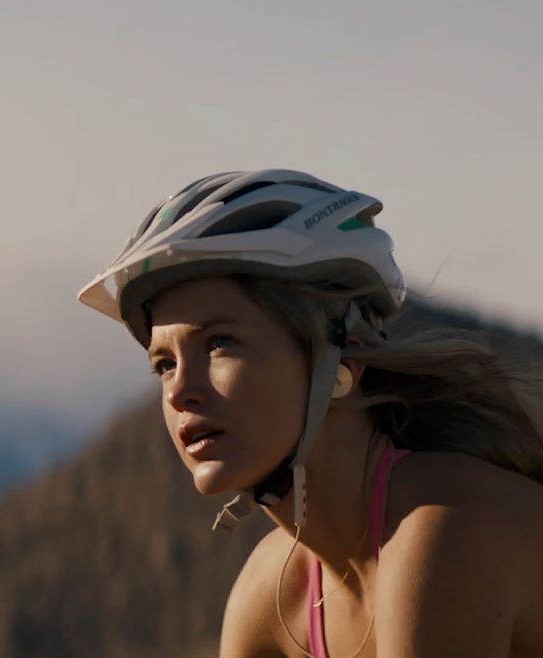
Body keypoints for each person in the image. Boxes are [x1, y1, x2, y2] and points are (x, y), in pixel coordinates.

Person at [76, 170, 543, 656]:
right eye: (164, 365)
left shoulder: (442, 530)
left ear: (345, 359)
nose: (180, 393)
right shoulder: (272, 593)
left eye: (219, 344)